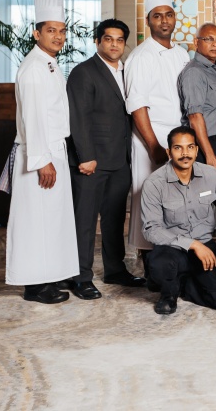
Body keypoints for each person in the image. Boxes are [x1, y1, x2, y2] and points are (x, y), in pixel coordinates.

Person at [5, 0, 79, 303]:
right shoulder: (34, 66)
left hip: (53, 150)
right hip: (39, 154)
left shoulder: (48, 63)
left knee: (50, 219)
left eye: (61, 31)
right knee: (35, 220)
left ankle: (46, 277)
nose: (58, 36)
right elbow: (33, 117)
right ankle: (34, 286)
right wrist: (42, 160)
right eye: (51, 31)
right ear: (37, 34)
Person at [66, 18, 145, 300]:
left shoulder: (126, 71)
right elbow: (78, 116)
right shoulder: (83, 72)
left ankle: (115, 270)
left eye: (119, 40)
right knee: (85, 221)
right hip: (92, 161)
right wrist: (86, 156)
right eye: (108, 39)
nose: (114, 45)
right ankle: (80, 277)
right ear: (97, 41)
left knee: (114, 220)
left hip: (120, 159)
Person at [140, 126, 216, 315]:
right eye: (178, 148)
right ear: (169, 152)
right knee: (160, 265)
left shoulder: (213, 176)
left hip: (206, 247)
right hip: (172, 248)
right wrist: (192, 244)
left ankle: (185, 285)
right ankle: (168, 294)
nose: (185, 153)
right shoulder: (154, 183)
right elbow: (151, 229)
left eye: (190, 147)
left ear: (196, 150)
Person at [124, 0, 190, 263]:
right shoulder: (141, 56)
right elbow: (137, 105)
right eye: (157, 16)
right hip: (151, 137)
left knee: (173, 199)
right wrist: (153, 146)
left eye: (169, 14)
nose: (164, 21)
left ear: (175, 18)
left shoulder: (182, 53)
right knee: (147, 197)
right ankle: (147, 259)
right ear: (148, 20)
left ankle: (171, 256)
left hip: (178, 138)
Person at [178, 23, 216, 196]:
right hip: (205, 147)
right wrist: (210, 156)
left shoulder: (214, 70)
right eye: (209, 39)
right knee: (207, 201)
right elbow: (195, 116)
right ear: (196, 42)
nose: (215, 44)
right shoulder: (194, 72)